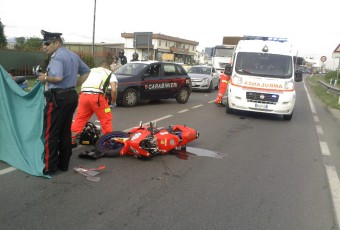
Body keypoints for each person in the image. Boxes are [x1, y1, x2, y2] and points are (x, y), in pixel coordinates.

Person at [37, 30, 90, 175]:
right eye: (44, 44)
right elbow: (86, 71)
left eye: (47, 43)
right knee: (65, 131)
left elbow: (58, 77)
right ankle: (64, 164)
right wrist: (75, 84)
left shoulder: (57, 57)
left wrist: (45, 78)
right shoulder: (72, 55)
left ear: (56, 43)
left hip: (58, 98)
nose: (45, 47)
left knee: (51, 133)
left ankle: (50, 167)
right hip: (71, 96)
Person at [71, 61, 118, 137]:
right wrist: (113, 102)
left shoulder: (90, 70)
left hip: (84, 96)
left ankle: (71, 140)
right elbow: (114, 90)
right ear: (108, 67)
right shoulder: (109, 73)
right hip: (97, 98)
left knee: (80, 120)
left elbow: (78, 84)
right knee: (105, 119)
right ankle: (106, 142)